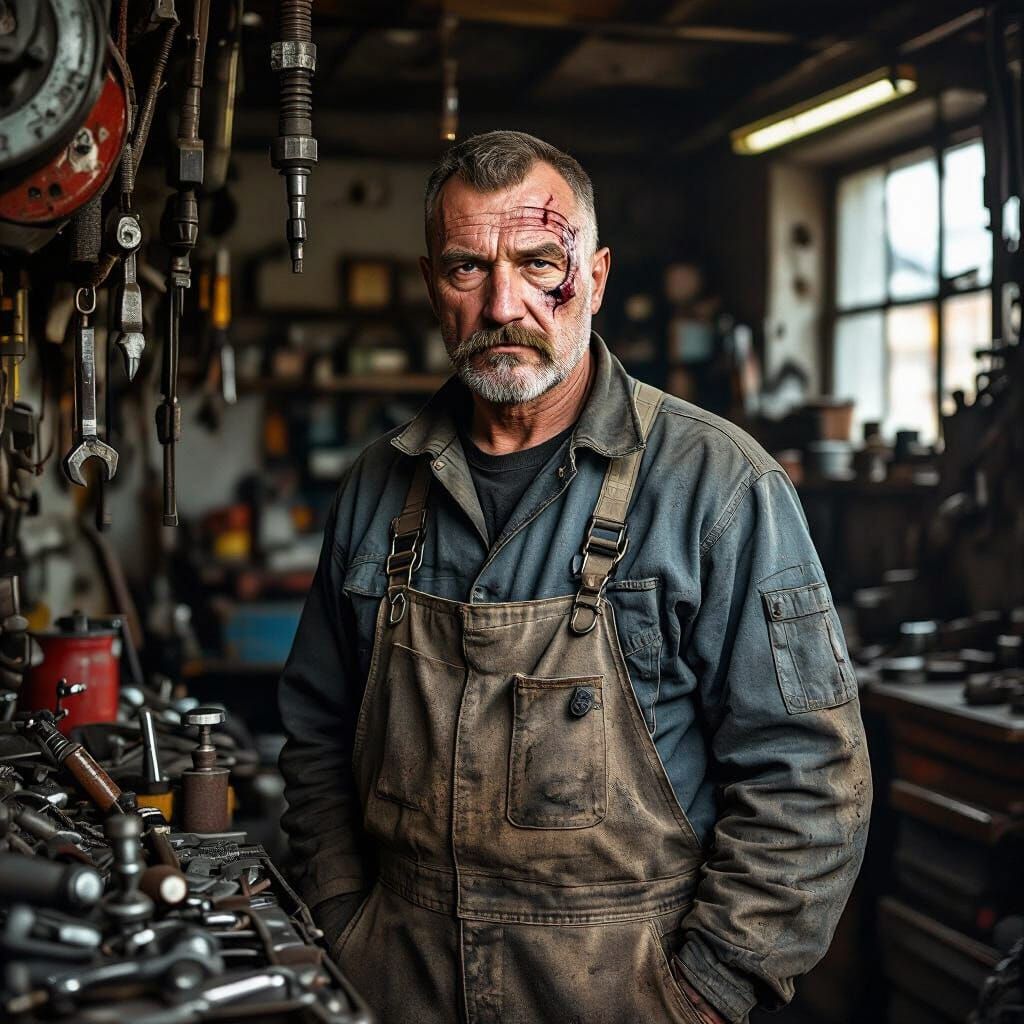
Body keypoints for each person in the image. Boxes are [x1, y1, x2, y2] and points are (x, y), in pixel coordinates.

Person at [278, 130, 871, 1024]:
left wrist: (708, 992)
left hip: (625, 991)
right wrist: (340, 916)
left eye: (539, 264)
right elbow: (316, 733)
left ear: (593, 278)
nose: (503, 304)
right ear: (433, 284)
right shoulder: (377, 486)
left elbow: (811, 775)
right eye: (468, 267)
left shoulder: (718, 486)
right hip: (395, 981)